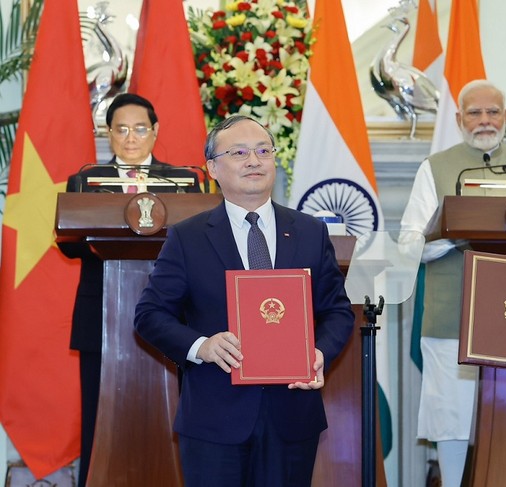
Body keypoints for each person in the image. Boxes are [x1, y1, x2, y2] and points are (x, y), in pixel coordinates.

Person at [134, 115, 354, 486]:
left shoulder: (309, 231)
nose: (254, 161)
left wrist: (319, 354)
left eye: (263, 151)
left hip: (291, 416)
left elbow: (337, 311)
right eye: (239, 152)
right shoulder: (188, 237)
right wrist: (202, 346)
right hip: (214, 417)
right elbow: (150, 314)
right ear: (213, 167)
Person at [400, 79, 506, 487]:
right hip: (452, 316)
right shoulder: (435, 167)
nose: (485, 120)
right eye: (475, 113)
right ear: (459, 118)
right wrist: (455, 234)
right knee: (452, 416)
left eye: (493, 111)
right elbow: (410, 242)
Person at [59, 93, 201, 487]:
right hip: (102, 312)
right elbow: (67, 241)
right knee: (98, 413)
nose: (131, 137)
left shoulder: (185, 182)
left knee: (176, 411)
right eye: (121, 129)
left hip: (174, 315)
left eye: (140, 128)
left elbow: (200, 241)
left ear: (155, 132)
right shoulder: (86, 180)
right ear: (109, 134)